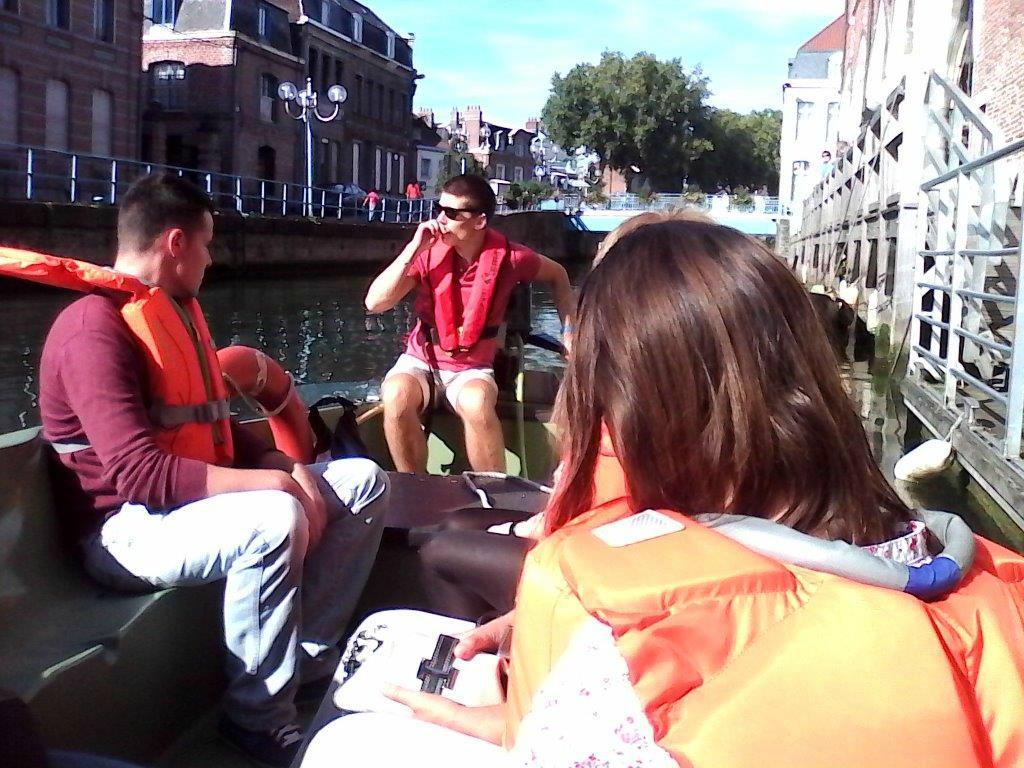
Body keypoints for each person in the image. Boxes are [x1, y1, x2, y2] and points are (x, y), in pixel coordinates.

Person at [307, 217, 1024, 767]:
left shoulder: (616, 664)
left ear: (634, 406)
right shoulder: (978, 572)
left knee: (345, 744)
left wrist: (497, 716)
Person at [33, 174, 390, 768]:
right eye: (207, 243)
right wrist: (277, 485)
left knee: (363, 483)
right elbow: (139, 475)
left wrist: (280, 462)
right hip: (121, 532)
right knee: (274, 516)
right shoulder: (92, 330)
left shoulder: (172, 315)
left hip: (183, 509)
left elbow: (212, 429)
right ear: (176, 244)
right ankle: (256, 720)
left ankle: (307, 664)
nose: (210, 257)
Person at [364, 173, 574, 474]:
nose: (441, 219)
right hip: (421, 362)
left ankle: (494, 492)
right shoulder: (426, 254)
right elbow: (375, 303)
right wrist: (413, 249)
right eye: (439, 209)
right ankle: (415, 486)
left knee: (477, 403)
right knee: (396, 393)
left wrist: (570, 333)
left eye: (452, 213)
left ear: (479, 221)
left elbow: (558, 275)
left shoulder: (511, 258)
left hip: (472, 369)